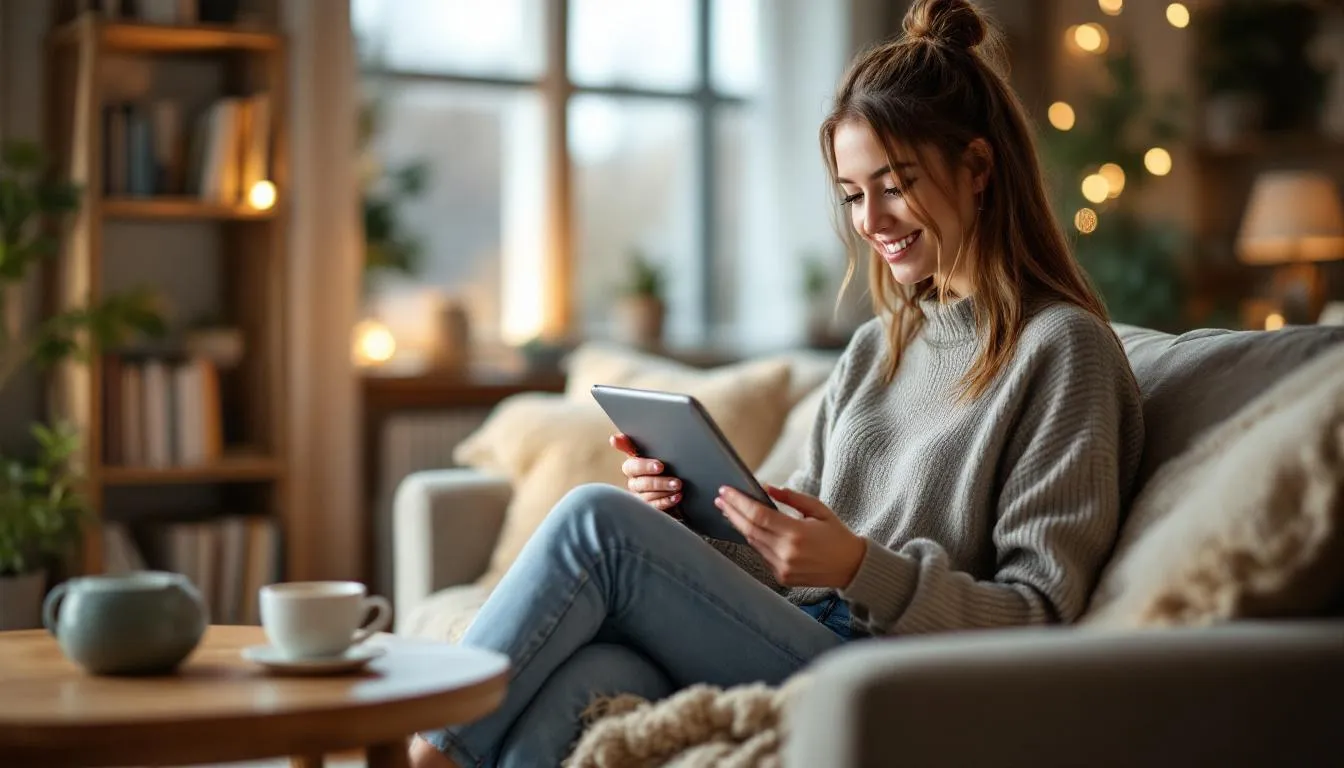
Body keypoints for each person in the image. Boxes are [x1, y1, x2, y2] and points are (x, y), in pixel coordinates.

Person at [410, 0, 1144, 765]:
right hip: (805, 635)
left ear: (979, 169)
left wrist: (861, 569)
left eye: (895, 184)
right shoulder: (876, 351)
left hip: (896, 675)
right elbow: (790, 563)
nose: (872, 220)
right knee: (591, 680)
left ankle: (417, 753)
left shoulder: (1062, 351)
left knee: (597, 523)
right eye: (854, 195)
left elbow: (1041, 618)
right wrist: (692, 518)